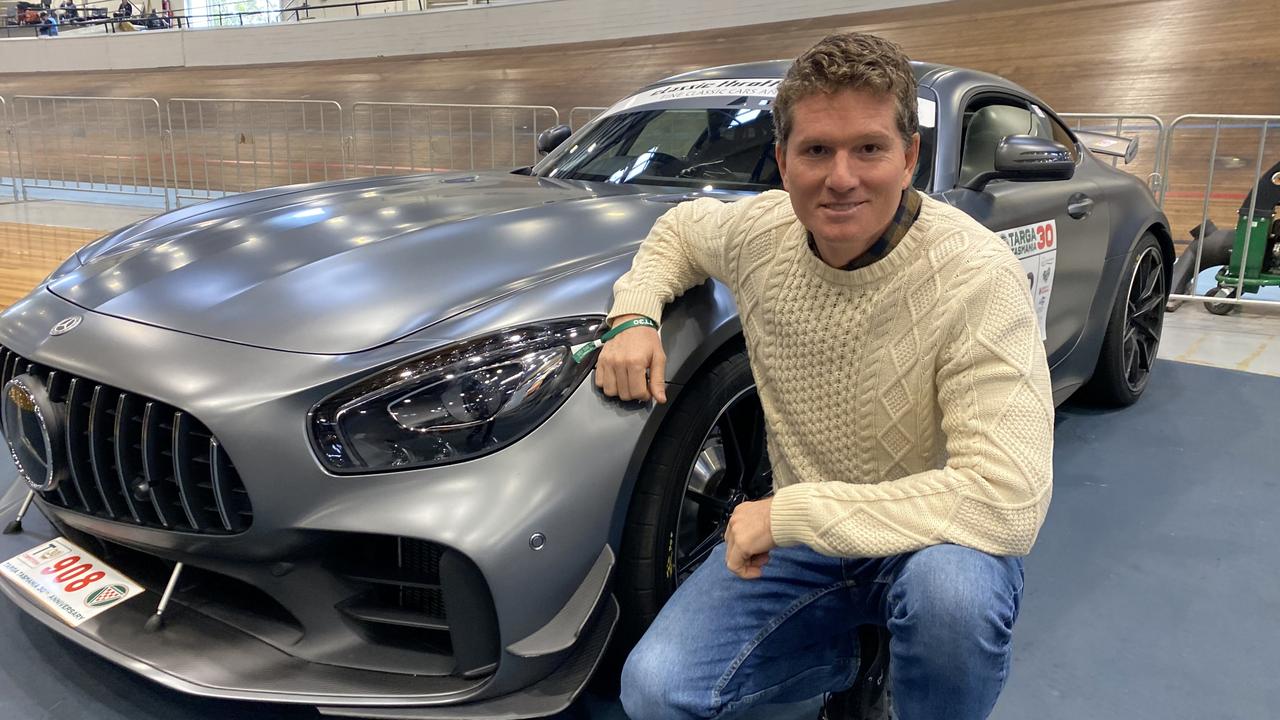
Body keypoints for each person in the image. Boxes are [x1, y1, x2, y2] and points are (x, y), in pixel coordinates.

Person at [599, 32, 1054, 720]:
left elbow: (1006, 500)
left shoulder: (976, 275)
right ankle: (852, 660)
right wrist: (633, 314)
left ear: (910, 157)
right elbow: (680, 231)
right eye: (816, 151)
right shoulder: (762, 235)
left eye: (868, 148)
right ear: (782, 162)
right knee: (656, 692)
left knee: (952, 600)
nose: (841, 177)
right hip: (812, 550)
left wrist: (789, 513)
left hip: (930, 540)